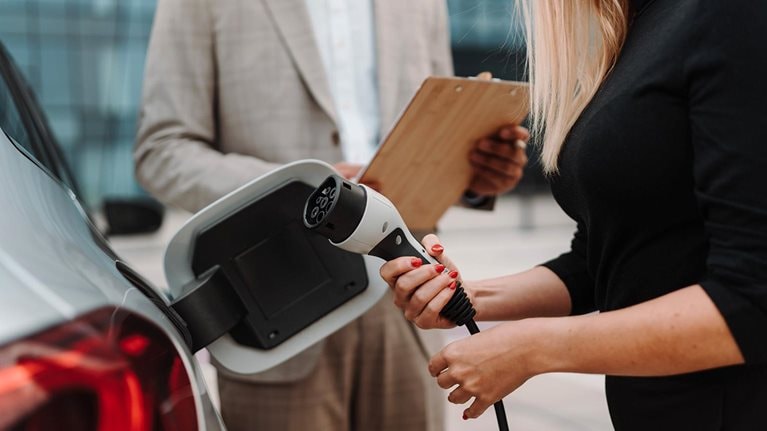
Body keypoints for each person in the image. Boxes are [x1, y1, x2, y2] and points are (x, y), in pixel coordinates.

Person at [134, 0, 529, 430]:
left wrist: (474, 177)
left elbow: (435, 130)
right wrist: (300, 187)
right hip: (280, 304)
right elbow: (162, 152)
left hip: (406, 306)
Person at [380, 0, 767, 429]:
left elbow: (752, 298)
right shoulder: (642, 25)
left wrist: (533, 348)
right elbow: (606, 257)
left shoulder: (732, 14)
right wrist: (469, 297)